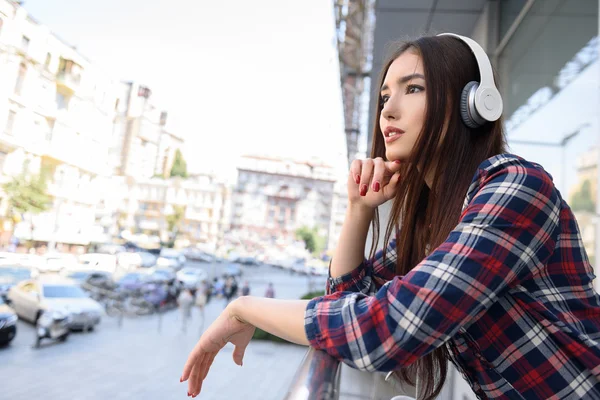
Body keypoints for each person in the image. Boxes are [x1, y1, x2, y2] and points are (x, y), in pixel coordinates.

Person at [180, 33, 600, 399]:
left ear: (473, 104)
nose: (388, 110)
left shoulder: (516, 188)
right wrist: (359, 209)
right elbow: (345, 301)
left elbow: (386, 329)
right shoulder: (434, 224)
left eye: (413, 89)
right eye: (383, 97)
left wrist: (243, 307)